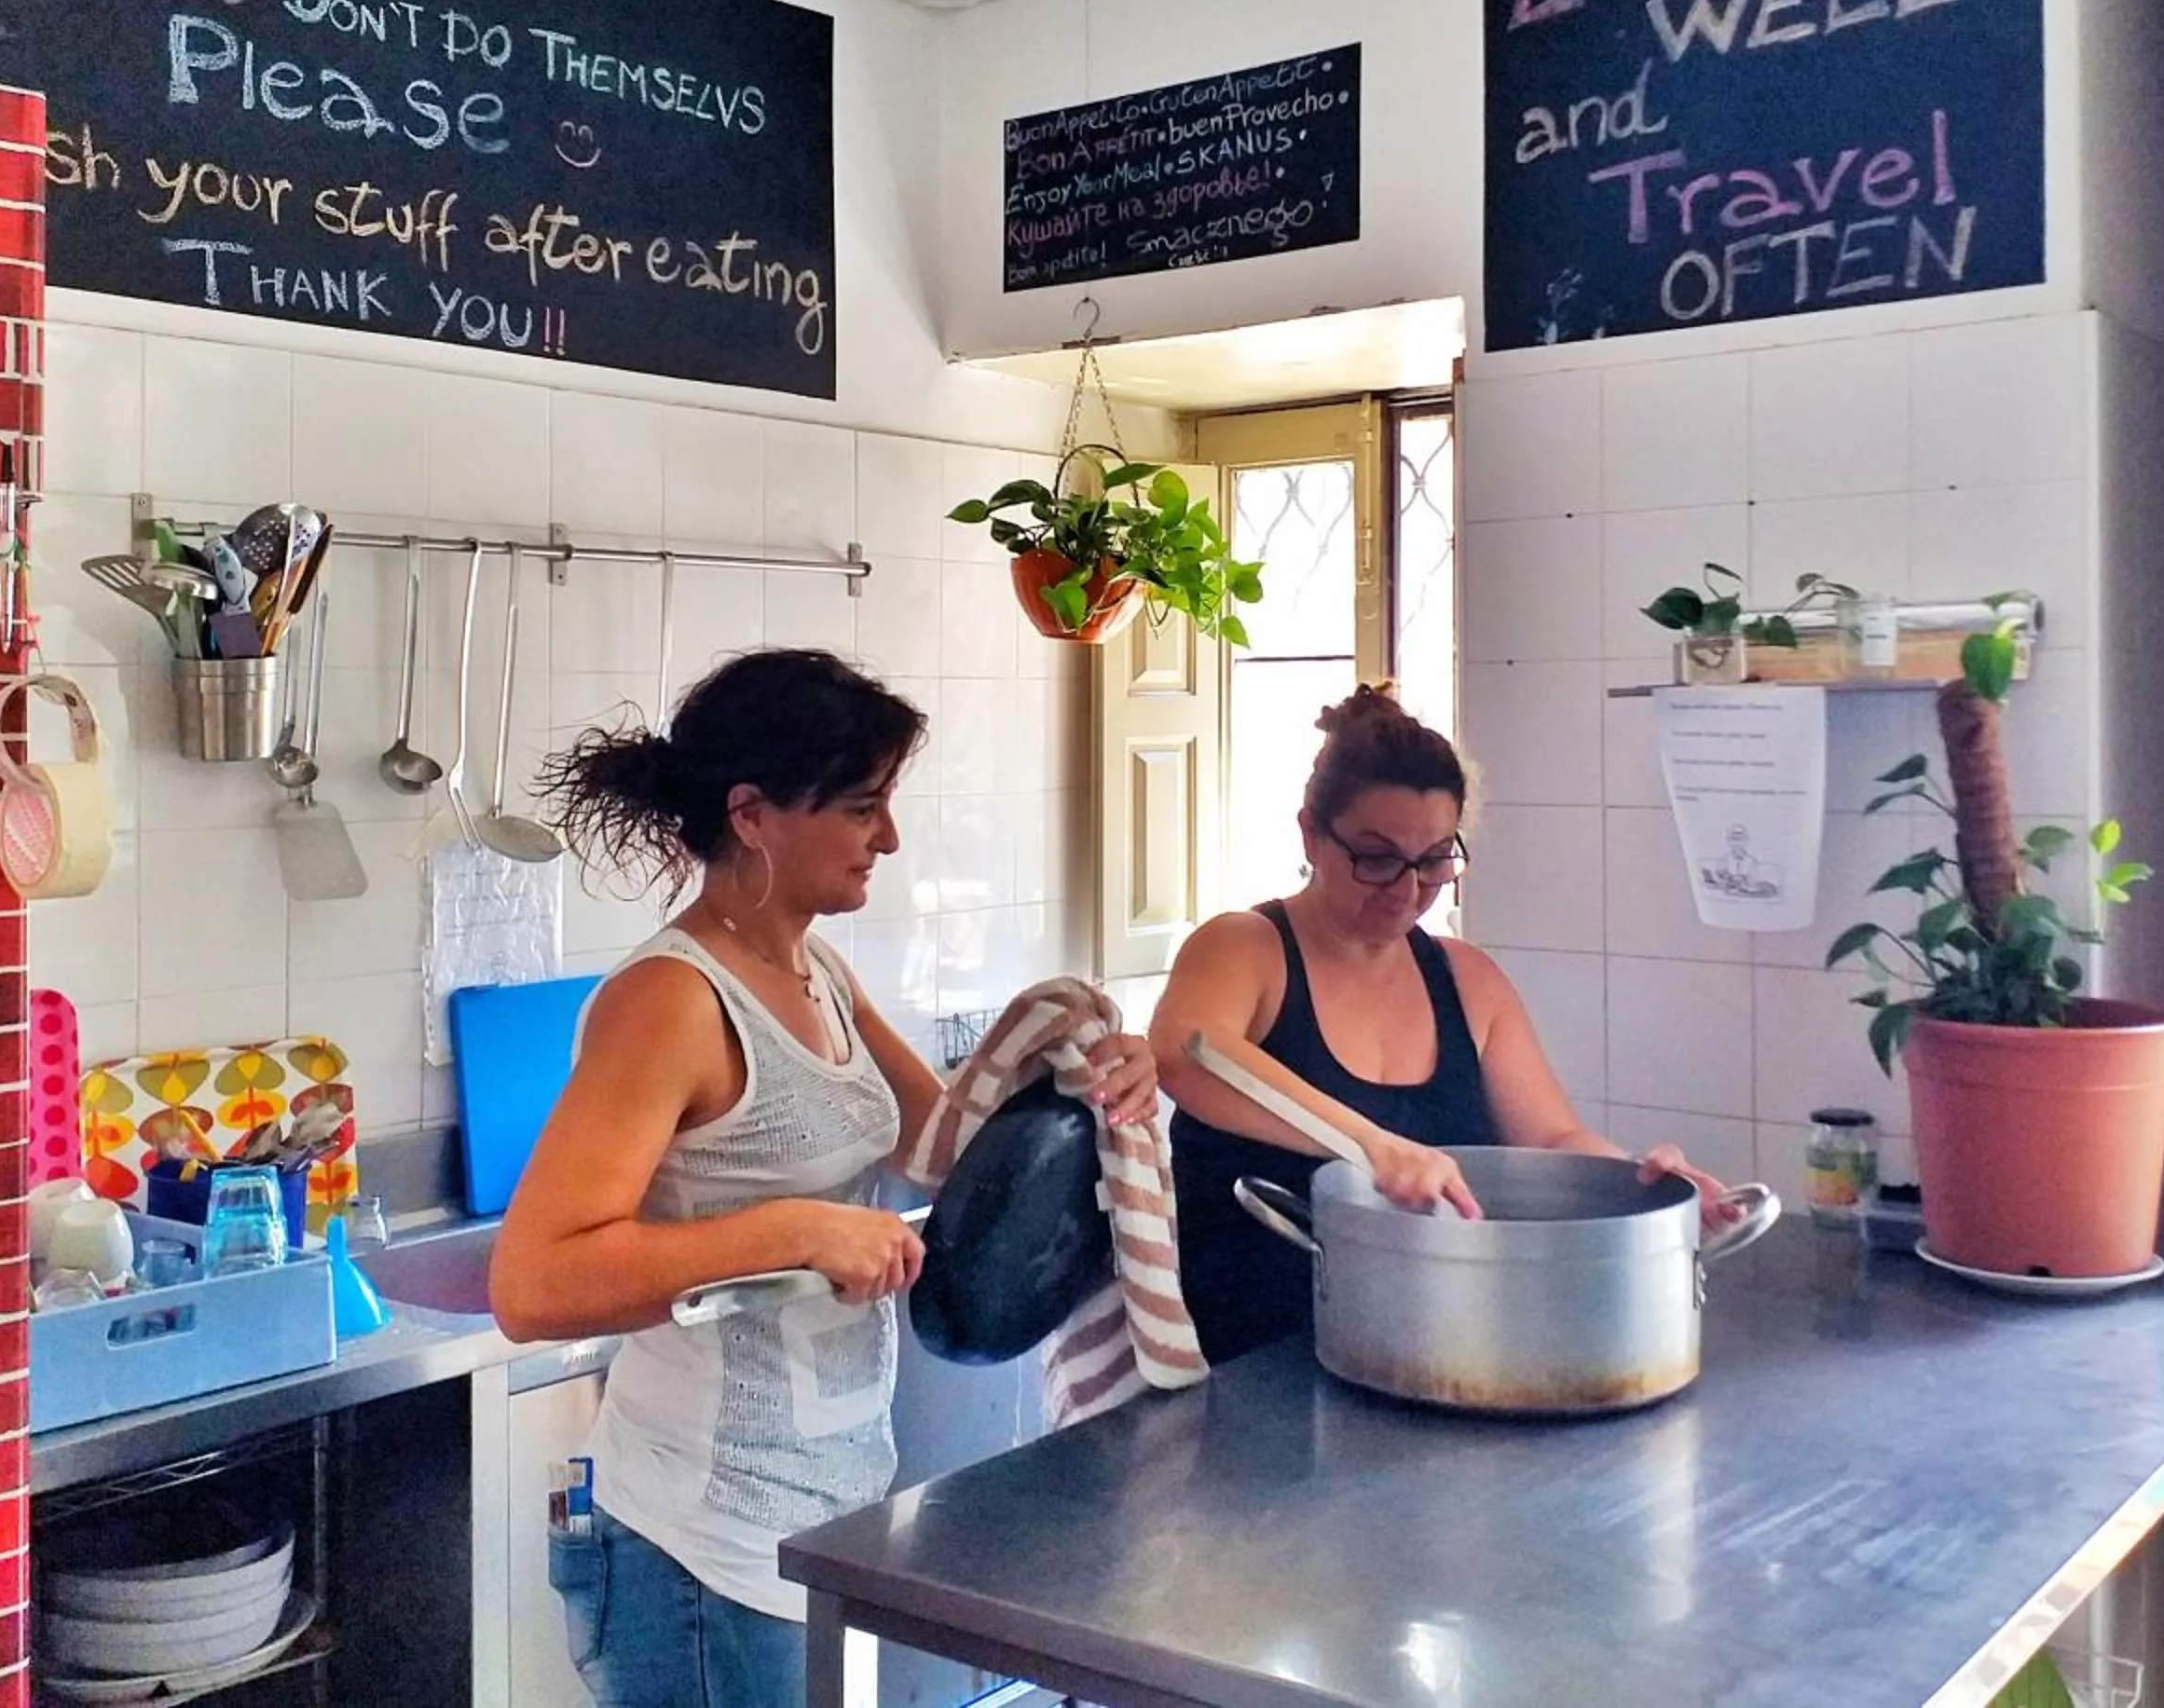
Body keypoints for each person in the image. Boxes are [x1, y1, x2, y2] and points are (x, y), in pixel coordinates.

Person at [489, 649, 1157, 1708]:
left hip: (819, 1520)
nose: (888, 838)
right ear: (752, 815)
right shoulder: (671, 1003)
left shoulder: (819, 972)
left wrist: (1088, 1072)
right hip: (698, 1552)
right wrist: (795, 1230)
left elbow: (945, 1139)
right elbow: (533, 1286)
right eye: (861, 808)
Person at [1153, 683, 1734, 1363]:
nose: (1406, 889)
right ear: (1311, 832)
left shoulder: (1468, 980)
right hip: (1252, 1364)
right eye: (1375, 858)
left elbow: (1550, 1139)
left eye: (1433, 860)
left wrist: (1650, 1185)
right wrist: (1372, 1147)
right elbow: (1188, 1053)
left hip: (1440, 1350)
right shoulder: (1244, 948)